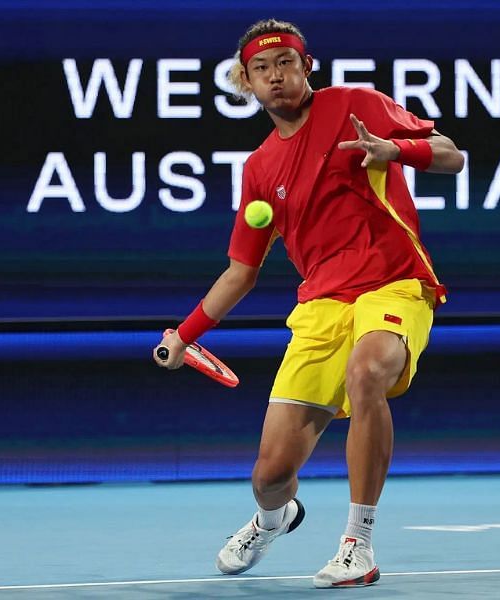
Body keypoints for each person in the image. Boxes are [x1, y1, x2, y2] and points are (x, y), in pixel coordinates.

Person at [152, 19, 464, 588]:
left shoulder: (356, 105)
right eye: (262, 70)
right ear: (246, 82)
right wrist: (184, 333)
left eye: (286, 64)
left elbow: (451, 155)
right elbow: (240, 273)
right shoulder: (259, 169)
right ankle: (276, 518)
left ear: (307, 66)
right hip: (321, 305)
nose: (276, 77)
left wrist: (393, 149)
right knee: (269, 474)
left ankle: (357, 543)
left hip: (394, 283)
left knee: (367, 370)